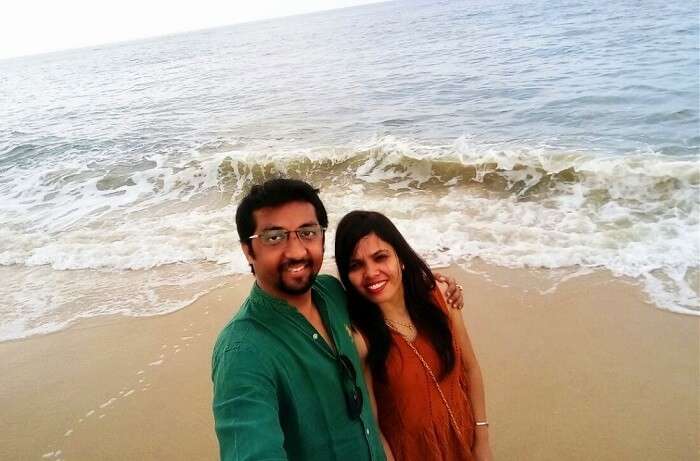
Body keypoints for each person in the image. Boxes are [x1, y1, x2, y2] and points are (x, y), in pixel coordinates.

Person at [211, 178, 463, 461]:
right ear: (248, 250)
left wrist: (434, 286)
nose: (296, 251)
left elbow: (388, 300)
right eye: (274, 237)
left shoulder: (332, 292)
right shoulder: (243, 351)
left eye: (307, 232)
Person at [335, 210, 493, 461]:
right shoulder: (362, 339)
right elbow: (374, 427)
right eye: (356, 265)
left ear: (401, 258)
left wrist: (482, 440)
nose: (371, 272)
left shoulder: (441, 297)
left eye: (380, 257)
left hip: (466, 441)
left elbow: (471, 369)